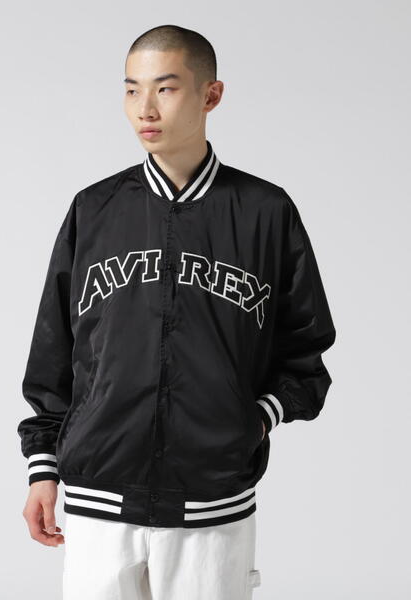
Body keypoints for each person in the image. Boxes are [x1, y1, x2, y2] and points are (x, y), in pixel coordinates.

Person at [17, 24, 336, 600]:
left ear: (211, 95)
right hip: (97, 498)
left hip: (211, 501)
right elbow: (54, 351)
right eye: (131, 89)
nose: (145, 108)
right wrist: (43, 467)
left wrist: (250, 421)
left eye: (165, 88)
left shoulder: (265, 212)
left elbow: (305, 354)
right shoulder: (94, 209)